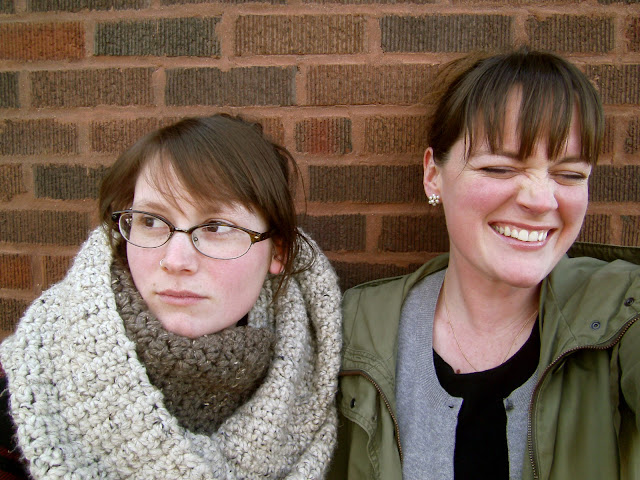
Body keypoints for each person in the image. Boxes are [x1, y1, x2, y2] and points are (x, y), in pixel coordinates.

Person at [328, 48, 640, 480]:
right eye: (499, 168)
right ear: (433, 174)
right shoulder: (355, 330)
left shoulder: (624, 312)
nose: (540, 200)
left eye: (569, 175)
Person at [0, 114, 343, 479]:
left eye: (216, 227)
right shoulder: (22, 394)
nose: (176, 261)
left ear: (278, 251)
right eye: (151, 221)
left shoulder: (338, 389)